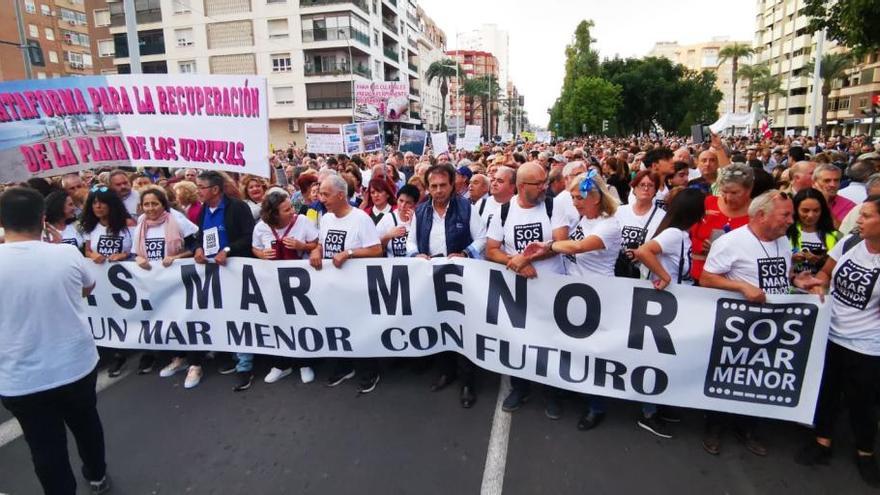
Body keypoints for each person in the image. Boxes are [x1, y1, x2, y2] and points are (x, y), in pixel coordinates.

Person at [0, 187, 110, 495]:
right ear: (44, 219)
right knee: (87, 426)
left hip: (21, 377)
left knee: (45, 447)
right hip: (75, 365)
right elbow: (87, 289)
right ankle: (97, 475)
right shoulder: (65, 253)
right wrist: (59, 249)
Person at [699, 189, 797, 457]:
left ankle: (747, 428)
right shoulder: (731, 242)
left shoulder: (783, 241)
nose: (790, 220)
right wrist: (742, 286)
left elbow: (785, 275)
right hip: (737, 327)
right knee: (727, 376)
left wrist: (799, 281)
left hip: (774, 327)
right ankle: (714, 428)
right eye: (785, 215)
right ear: (761, 215)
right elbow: (707, 278)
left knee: (758, 379)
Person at [521, 170, 620, 429]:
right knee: (573, 347)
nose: (574, 202)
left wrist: (548, 246)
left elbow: (576, 247)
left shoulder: (608, 225)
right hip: (576, 292)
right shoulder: (582, 219)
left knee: (592, 351)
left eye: (578, 197)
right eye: (573, 197)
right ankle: (576, 389)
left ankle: (596, 406)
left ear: (595, 198)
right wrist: (549, 245)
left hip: (597, 295)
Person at [795, 196, 880, 488]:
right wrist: (817, 283)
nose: (859, 220)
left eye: (866, 216)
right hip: (830, 333)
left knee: (863, 402)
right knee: (827, 391)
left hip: (867, 346)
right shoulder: (849, 243)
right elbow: (825, 272)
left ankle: (865, 452)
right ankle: (822, 441)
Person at [486, 162, 567, 419]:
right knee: (518, 340)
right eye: (539, 183)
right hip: (517, 290)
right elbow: (492, 250)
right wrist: (517, 264)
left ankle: (553, 393)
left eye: (545, 181)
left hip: (552, 289)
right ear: (522, 187)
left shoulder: (554, 206)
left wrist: (527, 259)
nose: (545, 187)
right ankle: (519, 388)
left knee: (552, 342)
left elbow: (560, 242)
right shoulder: (503, 212)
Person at [405, 163, 487, 407]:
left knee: (462, 328)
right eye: (433, 186)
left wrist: (466, 253)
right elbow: (410, 243)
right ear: (428, 188)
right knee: (438, 324)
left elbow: (482, 238)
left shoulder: (466, 208)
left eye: (443, 185)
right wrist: (415, 255)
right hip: (431, 278)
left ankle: (467, 382)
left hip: (461, 278)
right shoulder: (420, 212)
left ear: (452, 185)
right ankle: (446, 372)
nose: (438, 190)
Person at [633, 187, 705, 438]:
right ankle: (648, 412)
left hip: (675, 304)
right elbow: (644, 251)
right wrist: (664, 276)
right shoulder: (674, 234)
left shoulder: (680, 234)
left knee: (666, 358)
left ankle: (657, 405)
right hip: (665, 306)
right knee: (657, 359)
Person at [310, 175, 383, 393]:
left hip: (357, 288)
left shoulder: (360, 218)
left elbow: (376, 250)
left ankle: (369, 371)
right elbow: (322, 244)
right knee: (337, 327)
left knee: (360, 328)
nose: (321, 198)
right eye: (321, 193)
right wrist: (316, 250)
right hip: (332, 287)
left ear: (340, 195)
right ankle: (344, 366)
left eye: (325, 194)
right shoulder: (326, 219)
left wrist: (349, 253)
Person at [191, 171, 257, 391]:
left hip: (236, 271)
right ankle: (232, 354)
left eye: (201, 186)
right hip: (214, 274)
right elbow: (200, 235)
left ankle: (245, 366)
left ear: (215, 190)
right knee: (223, 315)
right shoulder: (202, 211)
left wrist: (228, 250)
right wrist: (199, 248)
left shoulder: (237, 207)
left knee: (240, 317)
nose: (197, 190)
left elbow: (249, 236)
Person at [252, 189, 320, 385]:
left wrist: (302, 246)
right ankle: (281, 364)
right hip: (273, 284)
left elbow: (316, 244)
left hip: (301, 283)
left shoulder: (302, 221)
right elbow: (255, 247)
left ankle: (305, 362)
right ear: (274, 214)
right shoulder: (261, 227)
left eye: (291, 207)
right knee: (278, 322)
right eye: (286, 209)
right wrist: (261, 254)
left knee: (301, 322)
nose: (292, 211)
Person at [132, 187, 199, 376]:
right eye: (146, 204)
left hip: (178, 279)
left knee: (186, 319)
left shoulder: (176, 219)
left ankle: (195, 363)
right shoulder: (141, 222)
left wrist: (177, 256)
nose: (151, 208)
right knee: (164, 319)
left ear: (163, 204)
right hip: (154, 282)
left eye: (155, 203)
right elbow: (136, 251)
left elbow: (195, 245)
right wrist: (137, 258)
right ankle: (177, 358)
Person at [690, 163, 754, 282]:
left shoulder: (756, 213)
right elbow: (688, 236)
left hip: (736, 282)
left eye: (734, 193)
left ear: (749, 189)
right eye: (724, 192)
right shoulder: (708, 203)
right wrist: (700, 245)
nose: (728, 198)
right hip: (697, 279)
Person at [615, 171, 666, 278]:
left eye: (650, 185)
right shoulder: (619, 211)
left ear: (655, 190)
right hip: (617, 269)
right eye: (642, 185)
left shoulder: (663, 217)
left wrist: (642, 254)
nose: (646, 188)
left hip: (645, 274)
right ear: (634, 188)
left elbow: (663, 247)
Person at [787, 188, 839, 275]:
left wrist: (821, 261)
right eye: (805, 210)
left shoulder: (836, 236)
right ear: (795, 210)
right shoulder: (784, 233)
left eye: (816, 210)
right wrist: (791, 259)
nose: (811, 215)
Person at [376, 184, 419, 258]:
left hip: (415, 265)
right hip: (393, 265)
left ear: (414, 204)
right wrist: (388, 236)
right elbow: (375, 247)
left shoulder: (419, 218)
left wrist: (414, 225)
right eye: (401, 201)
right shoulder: (388, 218)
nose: (403, 205)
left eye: (408, 202)